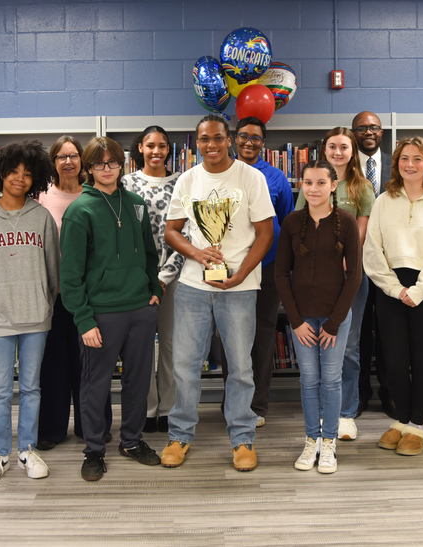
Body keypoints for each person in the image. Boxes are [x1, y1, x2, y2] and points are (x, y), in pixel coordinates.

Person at [160, 114, 275, 471]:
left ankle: (242, 440)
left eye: (218, 138)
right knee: (185, 365)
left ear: (230, 140)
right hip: (194, 287)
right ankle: (180, 435)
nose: (211, 145)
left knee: (241, 367)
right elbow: (172, 231)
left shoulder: (251, 177)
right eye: (204, 139)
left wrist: (242, 274)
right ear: (197, 143)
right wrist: (196, 253)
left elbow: (266, 233)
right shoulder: (187, 180)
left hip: (239, 288)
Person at [60, 137, 164, 481]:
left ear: (123, 164)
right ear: (89, 169)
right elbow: (70, 275)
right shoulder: (80, 210)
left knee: (138, 382)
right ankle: (93, 450)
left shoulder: (135, 203)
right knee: (95, 384)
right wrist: (84, 319)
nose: (107, 169)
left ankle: (132, 442)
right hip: (101, 314)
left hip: (140, 309)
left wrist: (153, 290)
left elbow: (150, 255)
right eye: (99, 164)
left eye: (113, 163)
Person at [0, 140, 60, 482]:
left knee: (32, 387)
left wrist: (43, 302)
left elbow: (53, 270)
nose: (19, 179)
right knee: (2, 389)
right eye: (13, 172)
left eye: (27, 173)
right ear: (0, 174)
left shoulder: (42, 217)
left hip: (36, 316)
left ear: (34, 179)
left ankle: (28, 450)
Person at [364, 136, 423, 457]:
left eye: (418, 159)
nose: (410, 164)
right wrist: (394, 288)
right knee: (393, 361)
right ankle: (401, 421)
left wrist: (419, 290)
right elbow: (372, 250)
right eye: (405, 158)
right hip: (391, 288)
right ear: (397, 164)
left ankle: (417, 425)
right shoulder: (383, 201)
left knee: (421, 360)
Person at [275, 160, 362, 474]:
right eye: (307, 183)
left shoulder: (348, 222)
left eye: (320, 183)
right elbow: (281, 274)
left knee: (331, 380)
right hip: (302, 321)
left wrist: (334, 322)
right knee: (309, 380)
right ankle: (311, 439)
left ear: (333, 185)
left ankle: (329, 442)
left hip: (334, 319)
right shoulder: (291, 222)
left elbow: (354, 276)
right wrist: (295, 321)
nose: (313, 189)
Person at [296, 127, 374, 441]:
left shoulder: (362, 187)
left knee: (349, 347)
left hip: (349, 277)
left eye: (344, 147)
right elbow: (301, 228)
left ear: (352, 151)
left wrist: (342, 263)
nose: (338, 152)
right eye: (332, 147)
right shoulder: (311, 183)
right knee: (317, 346)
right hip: (315, 281)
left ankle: (345, 413)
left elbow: (360, 232)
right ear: (324, 150)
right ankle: (319, 414)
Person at [36, 136, 110, 450]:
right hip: (53, 295)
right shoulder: (41, 197)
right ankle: (52, 430)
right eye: (62, 156)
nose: (68, 162)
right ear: (53, 162)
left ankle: (92, 427)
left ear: (83, 161)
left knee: (90, 365)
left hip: (90, 296)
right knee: (53, 364)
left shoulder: (94, 195)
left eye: (74, 155)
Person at [224, 116, 293, 428]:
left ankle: (257, 406)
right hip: (229, 268)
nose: (248, 142)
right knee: (230, 335)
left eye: (255, 138)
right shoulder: (222, 173)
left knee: (262, 336)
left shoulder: (277, 178)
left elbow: (283, 223)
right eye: (243, 136)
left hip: (265, 270)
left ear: (263, 143)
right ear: (233, 140)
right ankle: (233, 403)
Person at [121, 126, 184, 434]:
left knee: (171, 345)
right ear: (140, 149)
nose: (156, 151)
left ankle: (168, 409)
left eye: (162, 145)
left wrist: (164, 277)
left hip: (173, 278)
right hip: (137, 280)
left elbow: (185, 234)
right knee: (142, 346)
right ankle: (146, 410)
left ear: (168, 149)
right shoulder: (126, 183)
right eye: (150, 145)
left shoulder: (181, 183)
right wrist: (147, 278)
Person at [351, 111, 393, 419]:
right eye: (362, 128)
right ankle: (361, 392)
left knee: (390, 330)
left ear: (382, 132)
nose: (369, 131)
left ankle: (390, 393)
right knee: (360, 331)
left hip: (393, 261)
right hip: (357, 261)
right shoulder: (345, 167)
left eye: (374, 127)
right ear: (353, 133)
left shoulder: (398, 164)